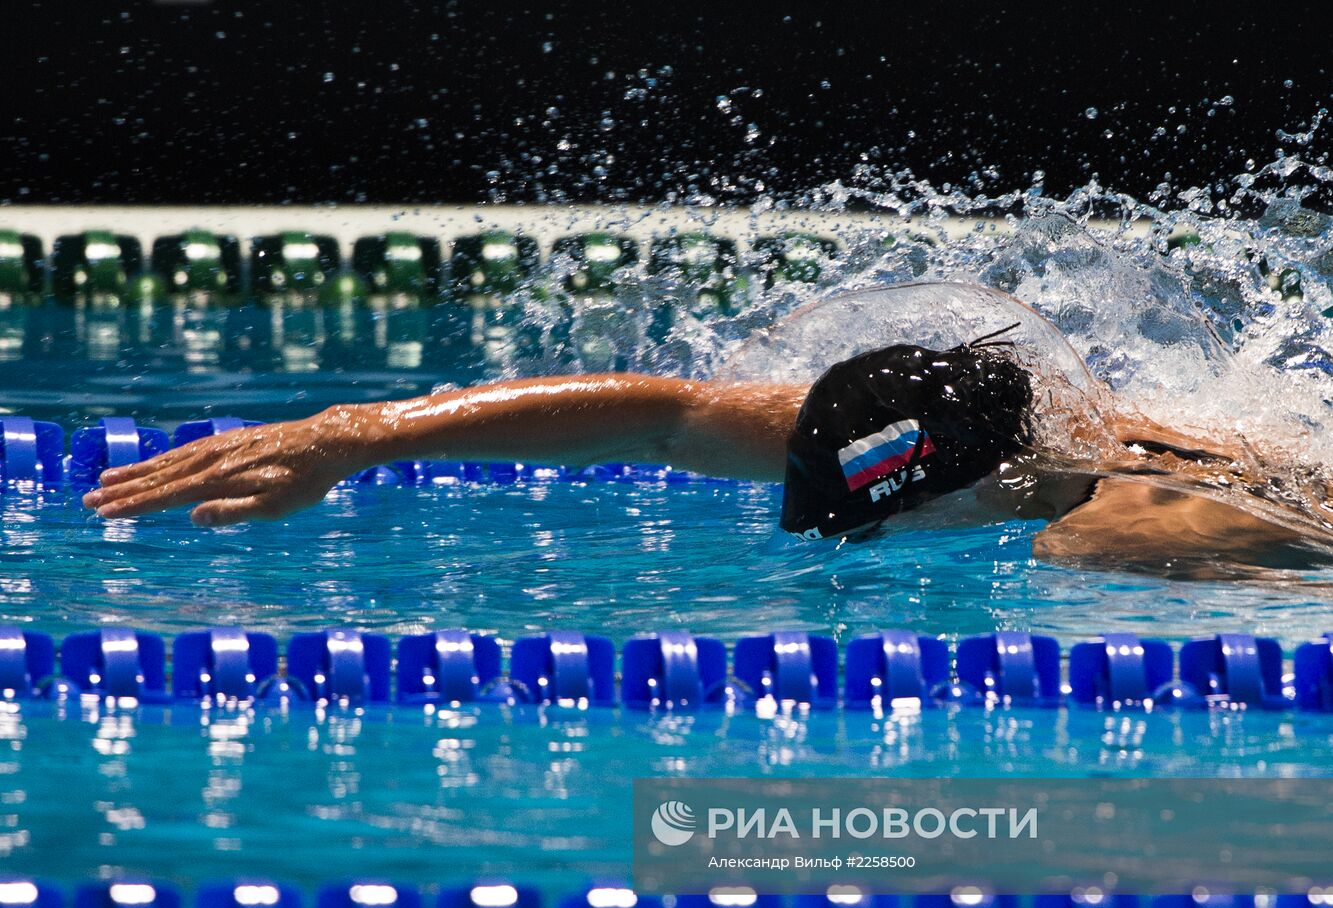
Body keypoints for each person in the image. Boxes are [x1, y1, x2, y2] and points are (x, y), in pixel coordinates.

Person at [82, 283, 1333, 578]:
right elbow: (659, 412)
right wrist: (360, 430)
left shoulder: (1111, 531)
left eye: (863, 521)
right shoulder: (1001, 431)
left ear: (943, 491)